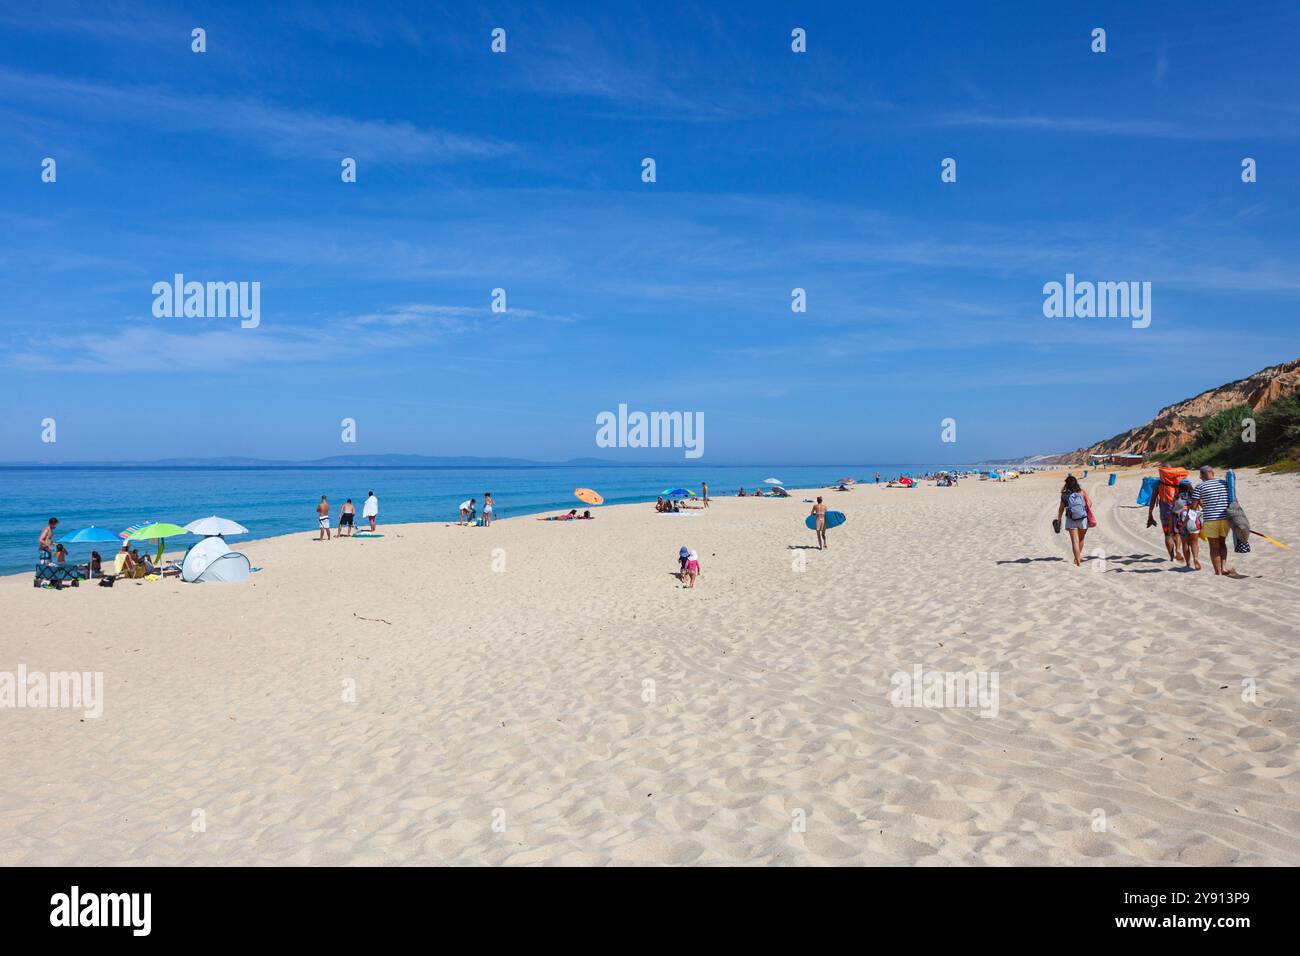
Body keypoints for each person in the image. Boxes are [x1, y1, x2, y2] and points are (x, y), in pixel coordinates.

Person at [1193, 465, 1237, 577]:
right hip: (1225, 518)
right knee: (1222, 543)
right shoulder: (1224, 483)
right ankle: (1224, 567)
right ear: (1212, 472)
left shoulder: (1199, 486)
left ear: (1201, 475)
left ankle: (1218, 572)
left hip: (1210, 520)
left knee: (1214, 547)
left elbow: (1193, 506)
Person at [1147, 465, 1188, 562]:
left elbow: (1153, 499)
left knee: (1168, 534)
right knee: (1177, 531)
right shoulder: (1180, 480)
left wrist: (1150, 514)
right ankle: (1178, 549)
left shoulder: (1159, 483)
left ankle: (1171, 557)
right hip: (1179, 508)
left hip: (1166, 509)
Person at [1056, 475, 1091, 566]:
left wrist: (1059, 519)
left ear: (1066, 484)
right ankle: (1077, 558)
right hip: (1083, 518)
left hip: (1071, 519)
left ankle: (1078, 561)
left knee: (1075, 541)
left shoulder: (1064, 495)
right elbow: (1090, 504)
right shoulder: (1082, 492)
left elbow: (1061, 509)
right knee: (1081, 538)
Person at [1180, 495, 1203, 570]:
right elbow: (1204, 507)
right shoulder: (1195, 497)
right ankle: (1195, 558)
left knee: (1185, 543)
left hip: (1183, 522)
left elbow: (1174, 511)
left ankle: (1188, 563)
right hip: (1194, 522)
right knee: (1194, 543)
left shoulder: (1178, 498)